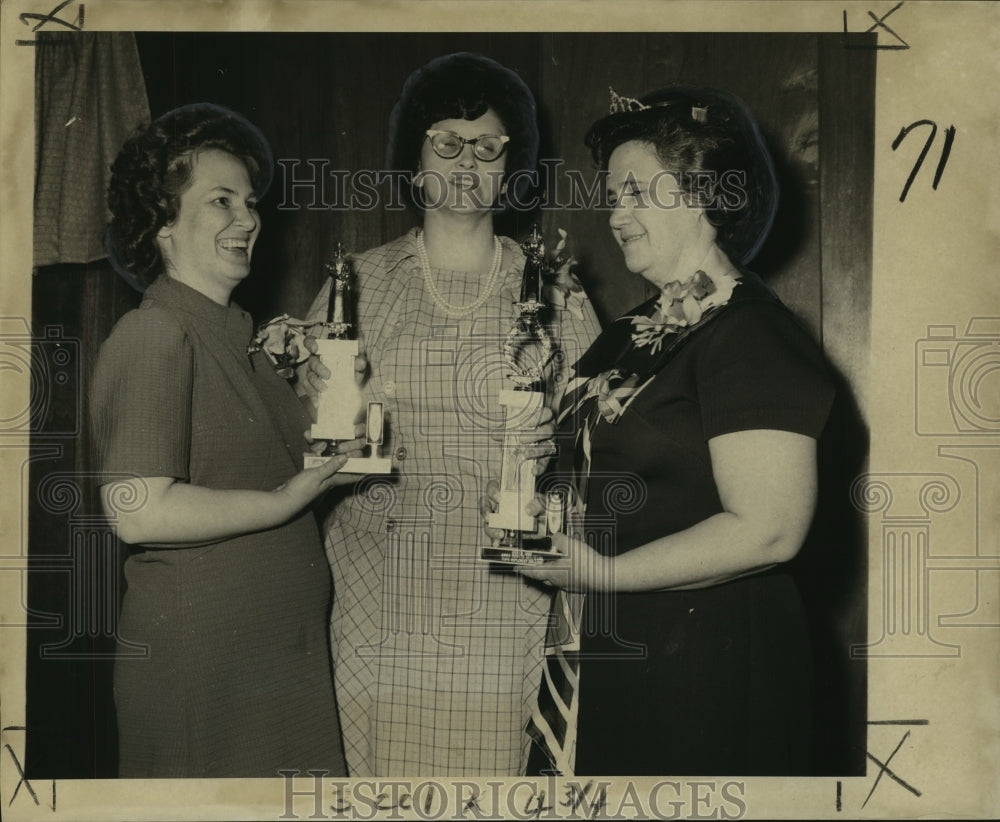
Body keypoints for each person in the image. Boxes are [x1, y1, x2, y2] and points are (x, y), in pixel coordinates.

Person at [514, 85, 836, 776]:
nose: (615, 213)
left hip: (707, 673)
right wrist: (541, 512)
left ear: (702, 194)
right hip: (611, 650)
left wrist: (604, 572)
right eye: (612, 193)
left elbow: (770, 527)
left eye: (636, 191)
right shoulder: (623, 338)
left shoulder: (751, 334)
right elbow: (589, 472)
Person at [303, 53, 601, 776]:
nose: (468, 161)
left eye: (489, 146)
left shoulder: (555, 293)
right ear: (414, 158)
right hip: (378, 592)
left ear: (512, 164)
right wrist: (322, 406)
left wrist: (550, 455)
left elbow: (598, 445)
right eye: (447, 142)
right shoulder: (358, 285)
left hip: (503, 595)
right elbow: (312, 450)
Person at [91, 103, 361, 778]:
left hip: (274, 662)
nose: (248, 219)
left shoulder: (240, 339)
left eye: (249, 201)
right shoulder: (156, 334)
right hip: (205, 670)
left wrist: (336, 454)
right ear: (161, 222)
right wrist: (286, 499)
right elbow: (137, 510)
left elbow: (267, 470)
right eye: (220, 201)